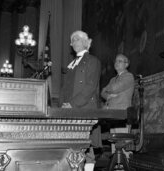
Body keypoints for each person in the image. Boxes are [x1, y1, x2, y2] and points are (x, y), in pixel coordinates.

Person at [59, 30, 101, 171]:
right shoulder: (72, 64)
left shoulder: (93, 61)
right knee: (73, 147)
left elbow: (90, 86)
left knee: (86, 148)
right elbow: (65, 89)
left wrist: (72, 104)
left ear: (85, 42)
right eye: (72, 40)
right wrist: (62, 106)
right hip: (69, 110)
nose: (73, 42)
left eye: (76, 39)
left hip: (84, 107)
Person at [101, 54, 135, 160]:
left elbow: (115, 88)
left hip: (122, 115)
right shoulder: (112, 79)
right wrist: (109, 94)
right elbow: (102, 92)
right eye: (116, 61)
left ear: (126, 64)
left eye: (120, 61)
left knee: (123, 145)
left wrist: (109, 92)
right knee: (114, 146)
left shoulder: (129, 76)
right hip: (112, 115)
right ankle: (117, 166)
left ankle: (125, 166)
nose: (116, 63)